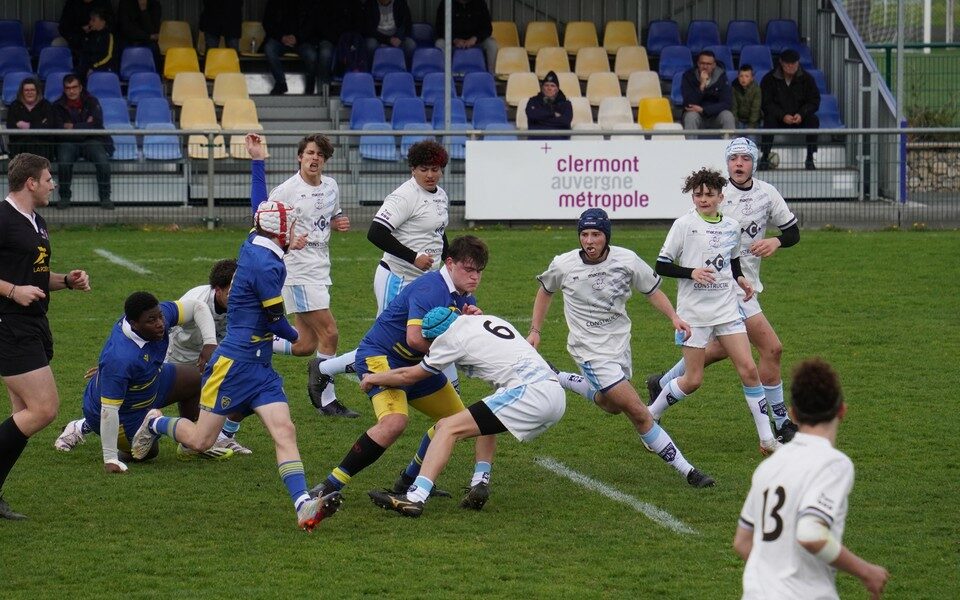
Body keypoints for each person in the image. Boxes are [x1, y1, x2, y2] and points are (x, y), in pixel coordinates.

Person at [130, 200, 344, 531]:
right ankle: (155, 422)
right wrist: (305, 338)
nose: (294, 230)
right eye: (289, 226)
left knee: (285, 430)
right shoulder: (265, 266)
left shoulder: (259, 243)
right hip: (233, 365)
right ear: (278, 231)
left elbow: (261, 213)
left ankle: (303, 504)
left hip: (259, 367)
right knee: (201, 441)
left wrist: (258, 165)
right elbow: (277, 323)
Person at [309, 236, 498, 512]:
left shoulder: (464, 295)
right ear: (449, 263)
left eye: (479, 271)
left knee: (457, 422)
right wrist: (455, 348)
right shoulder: (430, 289)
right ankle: (329, 485)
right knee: (394, 423)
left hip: (416, 364)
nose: (475, 277)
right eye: (469, 270)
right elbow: (415, 340)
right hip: (380, 357)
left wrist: (470, 322)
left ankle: (409, 481)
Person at [528, 208, 714, 488]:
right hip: (588, 351)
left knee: (612, 405)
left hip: (619, 345)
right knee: (639, 412)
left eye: (596, 234)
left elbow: (652, 290)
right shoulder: (564, 264)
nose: (589, 241)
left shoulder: (627, 260)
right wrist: (535, 331)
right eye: (584, 234)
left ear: (607, 236)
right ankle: (688, 471)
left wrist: (674, 317)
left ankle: (560, 377)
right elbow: (545, 290)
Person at [646, 138, 801, 443]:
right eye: (734, 159)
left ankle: (662, 383)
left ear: (753, 162)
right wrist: (693, 272)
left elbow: (793, 232)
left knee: (716, 350)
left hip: (743, 284)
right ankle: (779, 424)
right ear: (727, 164)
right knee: (771, 348)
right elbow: (687, 243)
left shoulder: (767, 194)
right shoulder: (715, 196)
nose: (739, 163)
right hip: (722, 291)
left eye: (745, 158)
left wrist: (775, 241)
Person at [368, 308, 565, 517]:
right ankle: (480, 482)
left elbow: (410, 375)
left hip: (531, 392)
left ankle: (414, 497)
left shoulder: (448, 338)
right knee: (484, 418)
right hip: (554, 393)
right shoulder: (487, 319)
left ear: (435, 337)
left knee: (447, 427)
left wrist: (374, 378)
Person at [54, 259, 253, 457]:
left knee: (199, 379)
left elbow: (197, 309)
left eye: (160, 317)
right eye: (152, 320)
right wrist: (110, 459)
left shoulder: (158, 316)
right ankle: (84, 425)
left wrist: (210, 343)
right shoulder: (122, 357)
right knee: (147, 453)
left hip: (155, 375)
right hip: (121, 407)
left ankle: (194, 441)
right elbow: (109, 411)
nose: (160, 324)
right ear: (134, 323)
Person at [314, 140, 459, 402]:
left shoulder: (440, 195)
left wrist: (447, 265)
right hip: (398, 279)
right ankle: (323, 369)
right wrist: (413, 257)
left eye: (435, 169)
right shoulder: (404, 196)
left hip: (426, 281)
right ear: (413, 169)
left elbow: (439, 233)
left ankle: (451, 393)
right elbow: (376, 232)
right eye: (424, 169)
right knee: (384, 346)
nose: (430, 175)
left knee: (437, 333)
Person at [734, 358, 890, 599]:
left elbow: (743, 542)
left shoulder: (769, 466)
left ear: (793, 414)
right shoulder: (832, 464)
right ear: (842, 411)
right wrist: (866, 571)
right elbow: (811, 534)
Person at [0, 153, 91, 520]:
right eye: (48, 178)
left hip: (34, 323)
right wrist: (11, 292)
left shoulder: (36, 221)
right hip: (9, 323)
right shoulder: (3, 218)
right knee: (44, 409)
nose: (53, 184)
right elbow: (17, 285)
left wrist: (65, 281)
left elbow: (34, 276)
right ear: (30, 182)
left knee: (22, 414)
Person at [245, 133, 355, 418]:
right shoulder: (287, 190)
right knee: (330, 333)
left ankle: (251, 340)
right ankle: (327, 399)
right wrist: (289, 239)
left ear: (325, 160)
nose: (314, 158)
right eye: (309, 153)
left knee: (304, 345)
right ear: (300, 157)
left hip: (321, 266)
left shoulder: (331, 186)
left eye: (320, 154)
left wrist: (337, 221)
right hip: (298, 270)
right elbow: (261, 215)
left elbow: (329, 215)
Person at [52, 74, 113, 210]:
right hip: (68, 142)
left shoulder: (92, 101)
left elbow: (97, 124)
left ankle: (105, 198)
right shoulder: (57, 105)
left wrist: (73, 127)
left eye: (74, 87)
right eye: (68, 88)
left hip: (91, 140)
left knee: (103, 162)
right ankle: (65, 197)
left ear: (80, 88)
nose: (71, 91)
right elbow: (58, 128)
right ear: (64, 90)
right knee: (64, 162)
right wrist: (86, 125)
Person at [759, 48, 821, 171]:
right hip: (778, 118)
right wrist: (782, 115)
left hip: (799, 118)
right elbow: (766, 103)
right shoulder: (769, 79)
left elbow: (814, 101)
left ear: (798, 63)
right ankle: (765, 156)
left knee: (813, 120)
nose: (791, 66)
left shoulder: (807, 79)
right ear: (781, 63)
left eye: (794, 63)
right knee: (769, 119)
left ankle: (810, 157)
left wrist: (801, 114)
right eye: (788, 64)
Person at [263, 0, 320, 95]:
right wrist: (282, 37)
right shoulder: (274, 2)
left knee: (311, 55)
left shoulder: (309, 3)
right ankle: (281, 83)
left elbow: (313, 23)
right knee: (269, 48)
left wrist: (297, 38)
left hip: (302, 41)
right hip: (279, 40)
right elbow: (267, 22)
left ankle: (310, 88)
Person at [435, 0, 497, 75]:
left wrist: (475, 39)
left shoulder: (480, 3)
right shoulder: (446, 3)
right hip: (453, 42)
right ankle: (446, 76)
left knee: (491, 43)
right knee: (439, 43)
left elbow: (488, 28)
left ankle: (491, 76)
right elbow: (439, 28)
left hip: (476, 41)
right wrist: (454, 39)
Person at [681, 49, 736, 133]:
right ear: (698, 64)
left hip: (715, 115)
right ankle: (690, 146)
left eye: (708, 64)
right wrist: (702, 86)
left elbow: (726, 103)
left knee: (728, 116)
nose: (705, 67)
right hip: (697, 116)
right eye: (702, 63)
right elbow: (689, 103)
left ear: (714, 65)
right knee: (690, 116)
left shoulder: (721, 77)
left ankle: (729, 145)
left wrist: (704, 110)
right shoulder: (688, 76)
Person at [6, 77, 56, 161]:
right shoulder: (14, 106)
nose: (30, 93)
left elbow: (50, 126)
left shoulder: (46, 105)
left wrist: (28, 126)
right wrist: (39, 124)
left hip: (42, 149)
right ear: (22, 92)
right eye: (26, 90)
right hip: (20, 149)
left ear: (37, 91)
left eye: (32, 90)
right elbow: (11, 127)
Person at [361, 0, 417, 66]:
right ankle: (372, 68)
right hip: (378, 37)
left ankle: (406, 69)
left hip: (396, 36)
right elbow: (368, 30)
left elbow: (406, 24)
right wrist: (388, 40)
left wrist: (399, 37)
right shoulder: (369, 5)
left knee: (410, 44)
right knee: (370, 45)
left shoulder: (401, 3)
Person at [525, 70, 573, 137]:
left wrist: (540, 120)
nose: (549, 88)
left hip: (560, 141)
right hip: (536, 139)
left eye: (552, 86)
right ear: (542, 88)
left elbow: (565, 122)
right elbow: (532, 115)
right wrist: (552, 114)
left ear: (557, 89)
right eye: (546, 85)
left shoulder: (566, 104)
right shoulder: (533, 101)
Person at [116, 0, 162, 69]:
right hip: (129, 39)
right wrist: (148, 36)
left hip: (147, 41)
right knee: (120, 47)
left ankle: (154, 76)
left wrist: (143, 10)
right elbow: (126, 28)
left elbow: (153, 30)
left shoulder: (154, 4)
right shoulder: (125, 3)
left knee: (154, 48)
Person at [79, 10, 117, 76]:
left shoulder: (109, 36)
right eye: (90, 20)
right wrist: (84, 34)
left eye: (93, 20)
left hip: (103, 67)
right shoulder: (91, 34)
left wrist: (93, 67)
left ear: (103, 22)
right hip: (88, 67)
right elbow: (85, 51)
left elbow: (108, 56)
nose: (90, 22)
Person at [732, 64, 761, 131]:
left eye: (747, 76)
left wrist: (751, 126)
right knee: (735, 139)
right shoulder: (734, 88)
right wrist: (736, 124)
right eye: (741, 76)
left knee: (751, 139)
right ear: (738, 77)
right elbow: (733, 108)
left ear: (752, 78)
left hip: (752, 122)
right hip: (738, 121)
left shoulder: (756, 89)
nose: (743, 79)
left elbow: (755, 109)